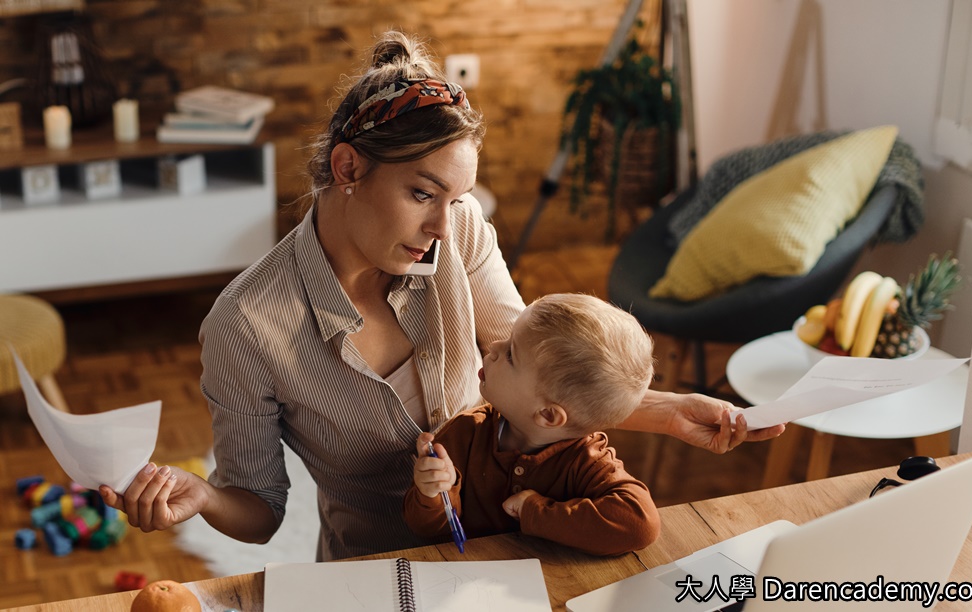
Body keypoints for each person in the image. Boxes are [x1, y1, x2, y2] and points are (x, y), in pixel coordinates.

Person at [98, 31, 784, 562]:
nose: (441, 225)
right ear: (348, 168)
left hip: (505, 551)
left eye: (454, 199)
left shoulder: (458, 231)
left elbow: (538, 364)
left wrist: (665, 413)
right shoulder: (246, 325)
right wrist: (206, 498)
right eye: (423, 193)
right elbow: (262, 511)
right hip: (374, 568)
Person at [404, 293, 660, 556]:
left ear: (548, 415)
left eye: (511, 355)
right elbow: (425, 528)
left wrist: (535, 511)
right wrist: (433, 492)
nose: (493, 347)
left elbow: (641, 524)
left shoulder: (588, 461)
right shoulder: (464, 433)